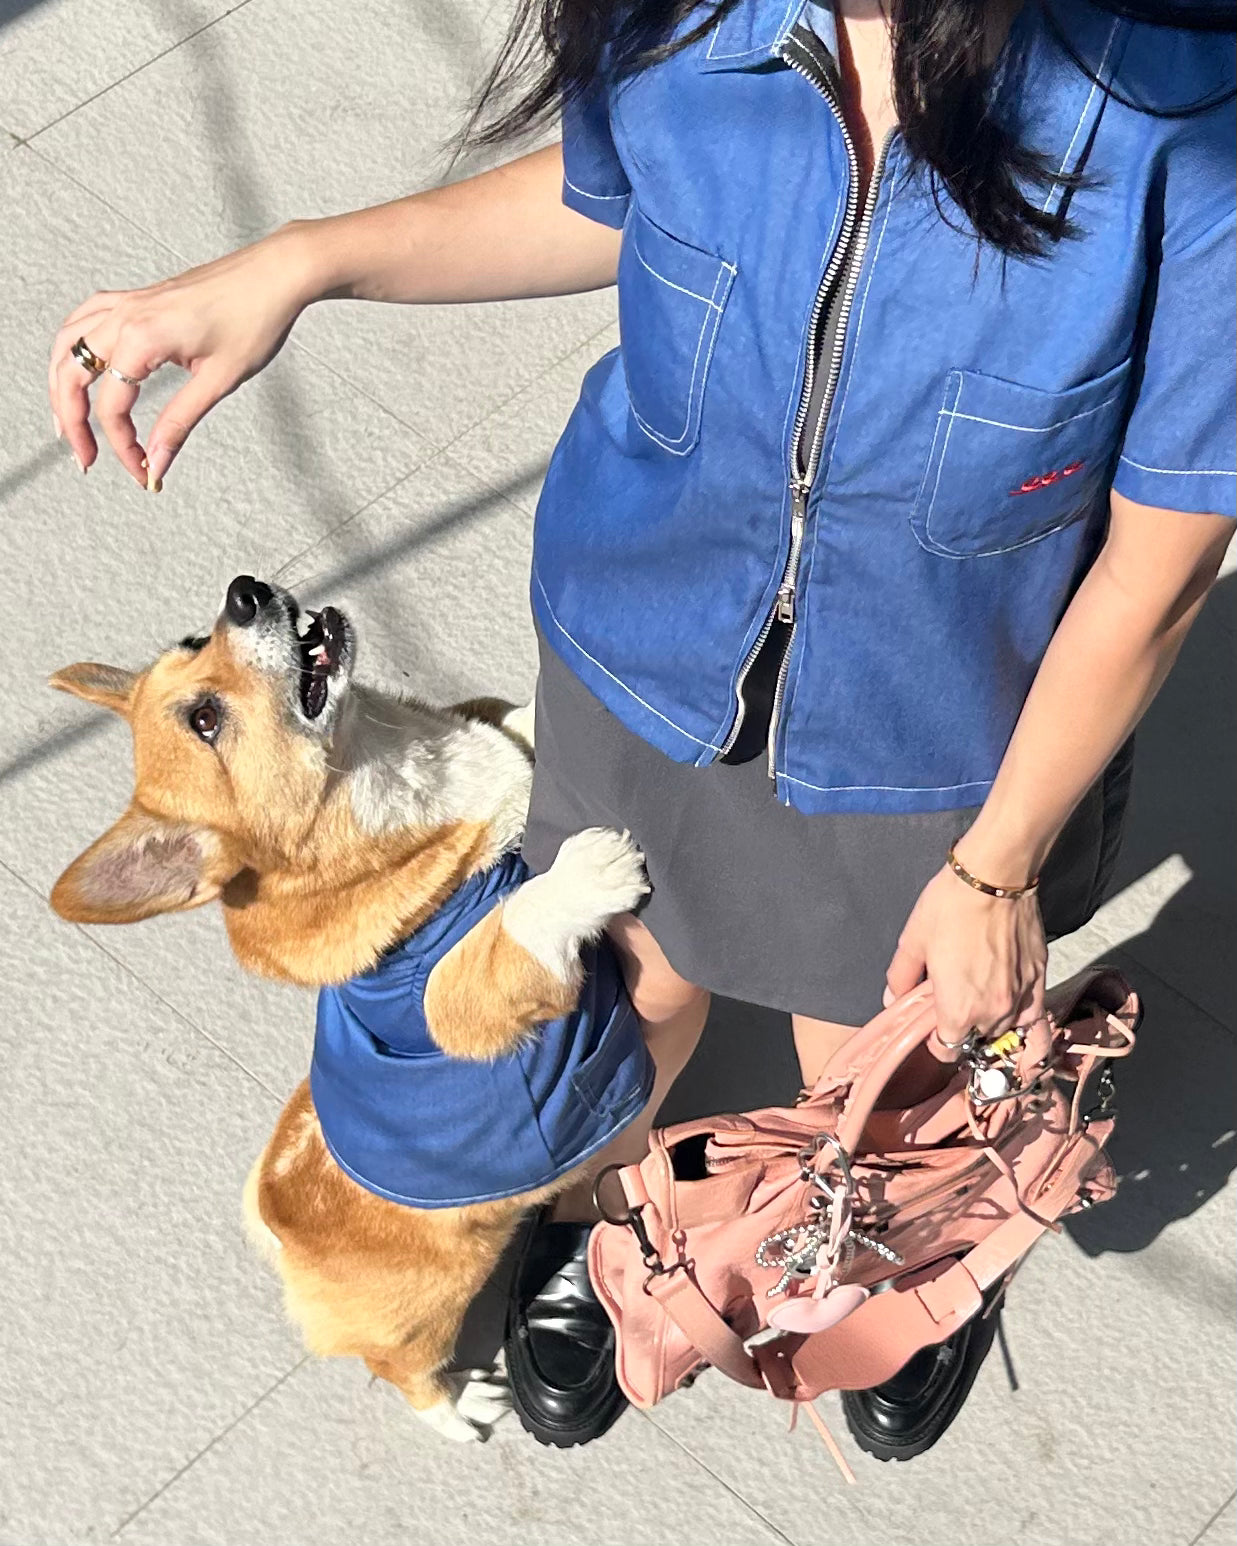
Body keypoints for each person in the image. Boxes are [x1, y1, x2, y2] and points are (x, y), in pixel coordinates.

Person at [50, 0, 1234, 1454]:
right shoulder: (685, 18)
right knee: (637, 972)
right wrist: (303, 261)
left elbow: (1160, 565)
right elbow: (604, 195)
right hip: (642, 635)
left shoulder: (1185, 110)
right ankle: (612, 1212)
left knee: (878, 1059)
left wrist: (995, 869)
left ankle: (902, 1252)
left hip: (934, 726)